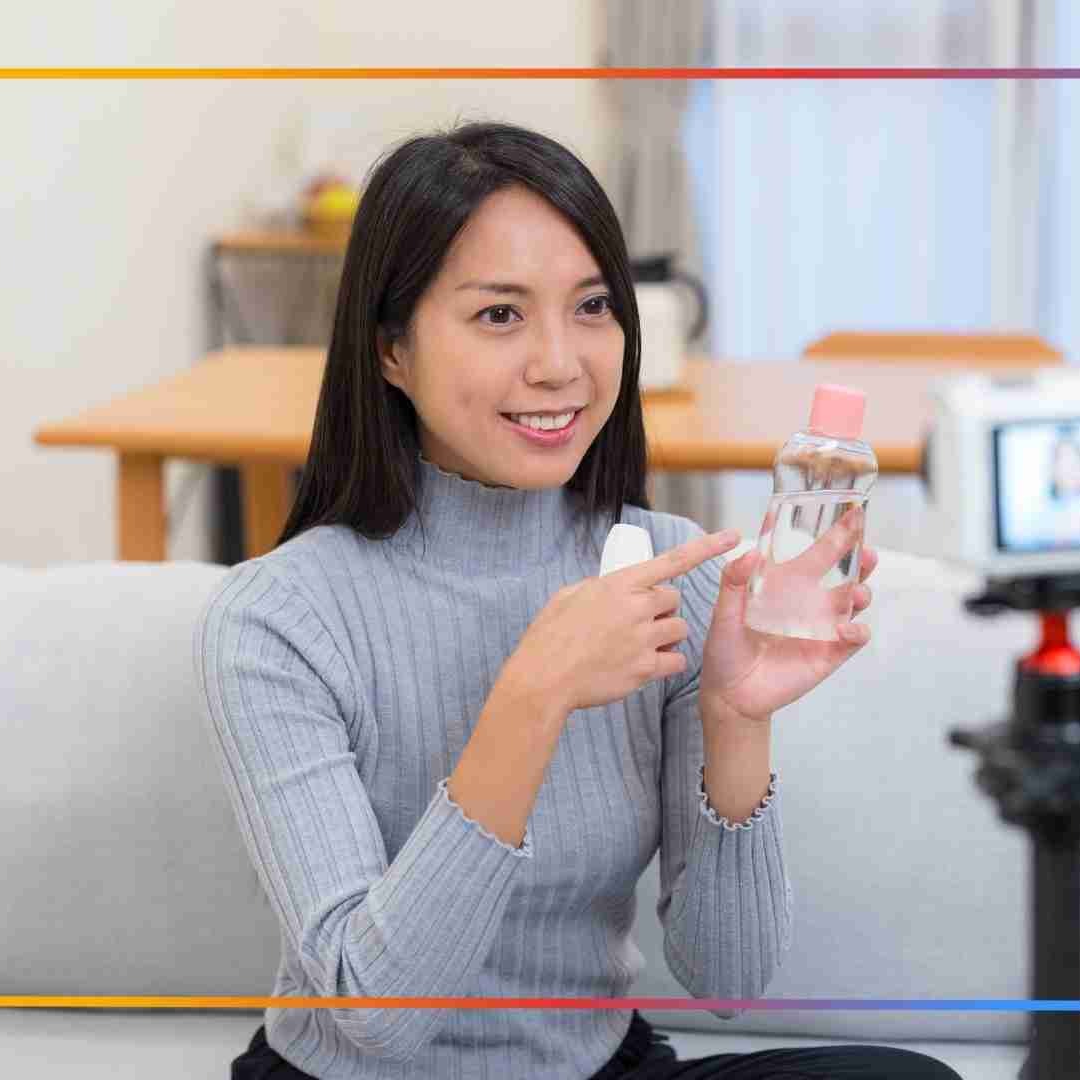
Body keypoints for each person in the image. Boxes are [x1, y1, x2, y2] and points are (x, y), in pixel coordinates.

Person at [197, 122, 961, 1080]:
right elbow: (375, 1021)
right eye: (500, 316)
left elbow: (729, 977)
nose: (561, 363)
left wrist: (733, 719)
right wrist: (532, 696)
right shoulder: (279, 618)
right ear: (391, 350)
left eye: (592, 306)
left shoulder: (672, 570)